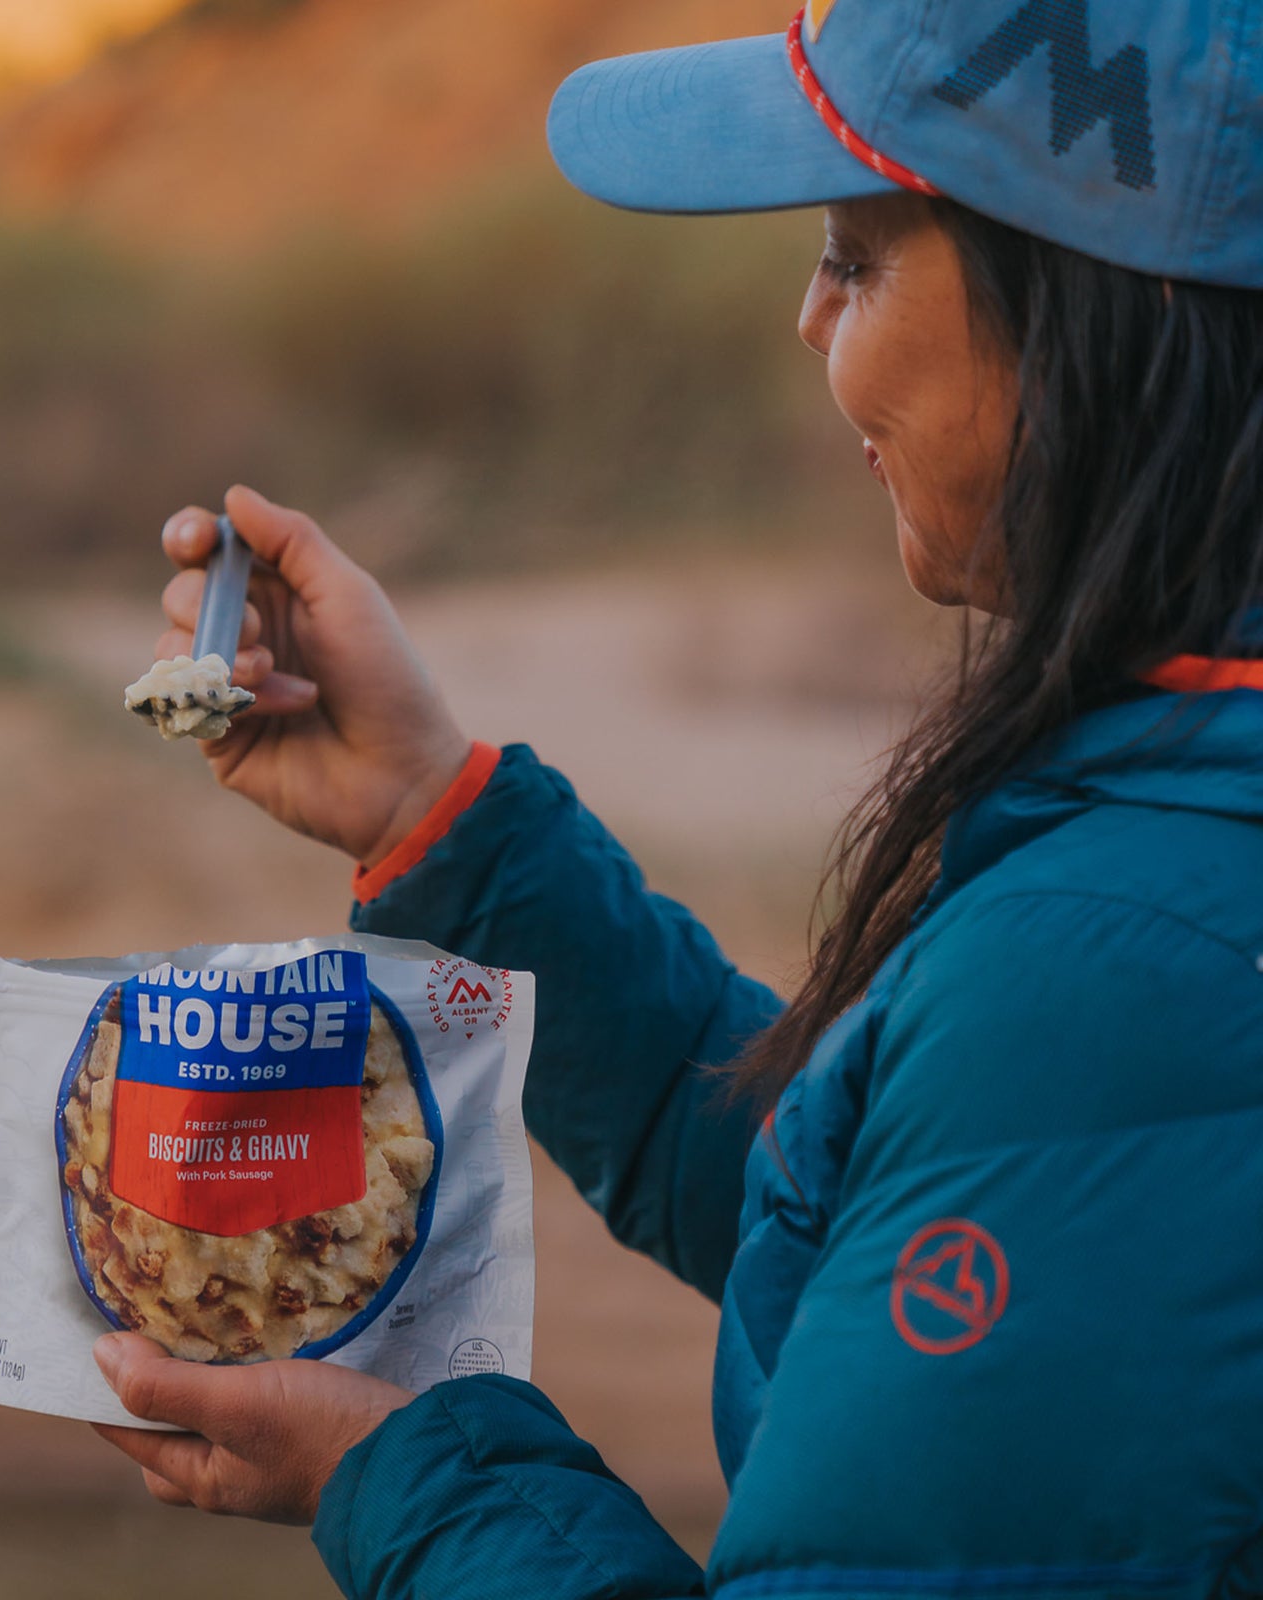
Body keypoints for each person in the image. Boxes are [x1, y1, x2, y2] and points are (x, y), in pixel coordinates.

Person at [89, 0, 1263, 1593]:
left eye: (854, 257)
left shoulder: (1112, 974)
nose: (806, 315)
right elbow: (899, 1200)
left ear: (1080, 324)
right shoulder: (1167, 878)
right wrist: (433, 814)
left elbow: (1034, 1138)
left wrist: (411, 1475)